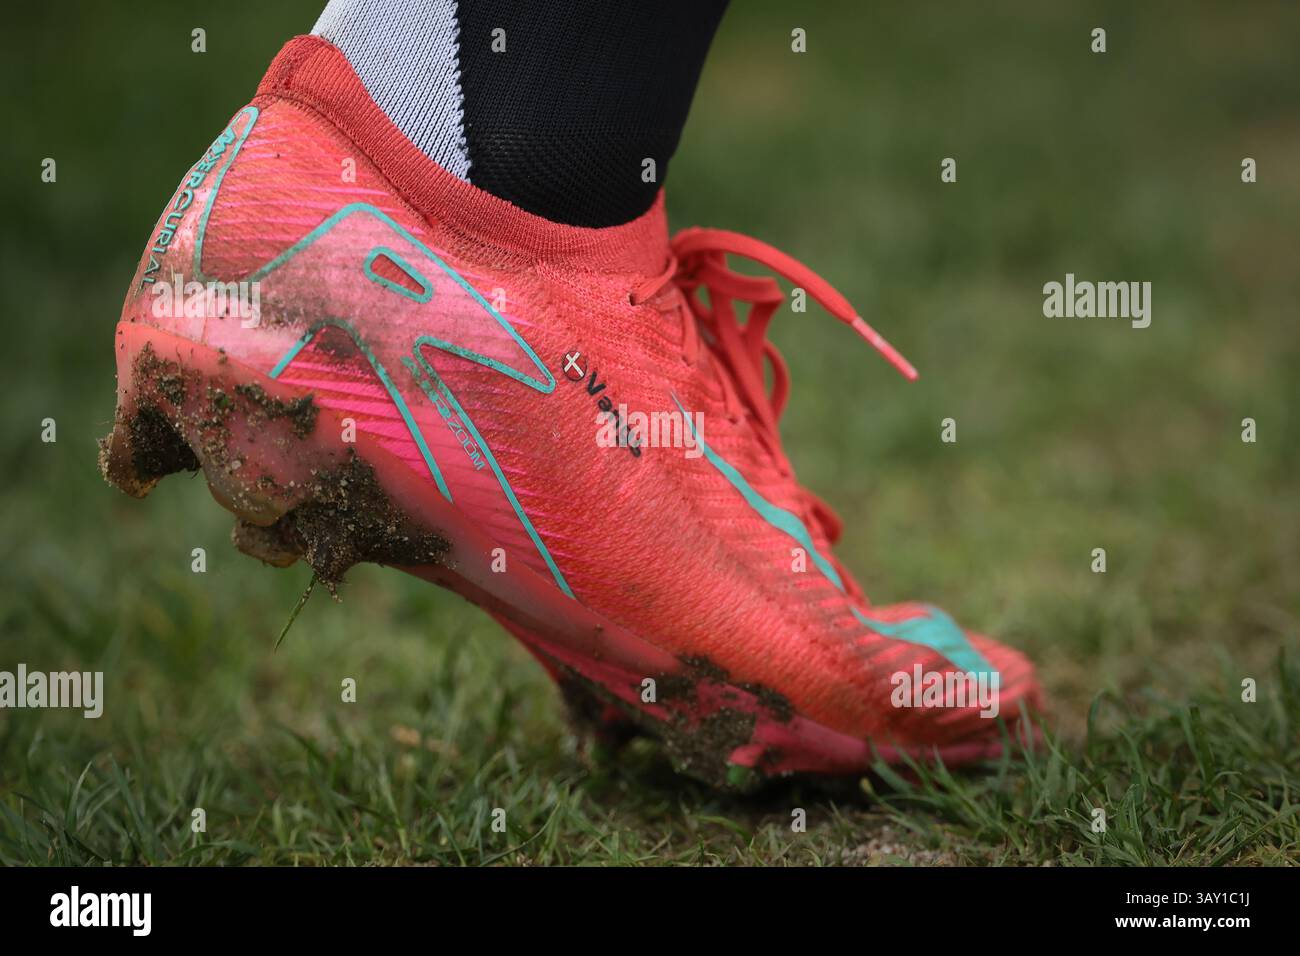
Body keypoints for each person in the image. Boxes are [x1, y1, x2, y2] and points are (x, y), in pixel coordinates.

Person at [101, 0, 1041, 789]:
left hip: (312, 185)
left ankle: (338, 153)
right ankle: (517, 224)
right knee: (538, 166)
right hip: (477, 248)